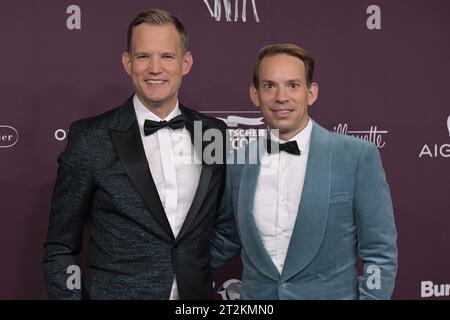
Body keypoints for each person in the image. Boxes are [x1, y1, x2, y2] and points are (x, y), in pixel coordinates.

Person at [43, 9, 227, 299]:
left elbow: (222, 221)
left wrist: (190, 265)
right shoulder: (90, 138)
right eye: (143, 57)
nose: (155, 68)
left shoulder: (213, 133)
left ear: (186, 63)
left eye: (167, 56)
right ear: (127, 63)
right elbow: (60, 248)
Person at [210, 43, 398, 299]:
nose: (281, 97)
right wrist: (163, 262)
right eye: (269, 85)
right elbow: (226, 238)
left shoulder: (356, 156)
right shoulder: (239, 161)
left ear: (311, 93)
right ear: (255, 94)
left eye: (293, 85)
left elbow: (380, 252)